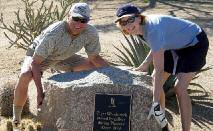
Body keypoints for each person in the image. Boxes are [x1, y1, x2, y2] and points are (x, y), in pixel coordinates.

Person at [13, 2, 109, 127]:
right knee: (26, 75)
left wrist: (116, 73)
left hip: (65, 57)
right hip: (40, 57)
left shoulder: (90, 32)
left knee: (93, 67)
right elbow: (35, 63)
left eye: (83, 20)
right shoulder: (55, 32)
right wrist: (40, 93)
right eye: (76, 19)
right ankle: (16, 119)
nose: (79, 24)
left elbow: (94, 57)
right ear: (68, 16)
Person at [115, 4, 209, 131]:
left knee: (179, 88)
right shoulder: (138, 29)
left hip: (194, 42)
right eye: (123, 21)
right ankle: (162, 125)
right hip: (172, 44)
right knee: (155, 80)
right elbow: (156, 46)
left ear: (139, 17)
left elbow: (159, 69)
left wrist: (154, 102)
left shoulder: (152, 29)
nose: (127, 24)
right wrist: (144, 65)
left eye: (130, 19)